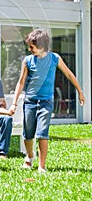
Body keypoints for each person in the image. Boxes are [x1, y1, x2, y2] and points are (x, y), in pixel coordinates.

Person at [9, 29, 85, 173]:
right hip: (30, 101)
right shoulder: (28, 60)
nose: (29, 49)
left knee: (42, 133)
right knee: (28, 133)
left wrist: (80, 91)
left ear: (42, 46)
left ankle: (41, 166)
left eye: (32, 46)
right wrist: (14, 102)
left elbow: (68, 74)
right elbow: (21, 82)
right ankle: (30, 156)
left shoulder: (55, 58)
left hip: (46, 102)